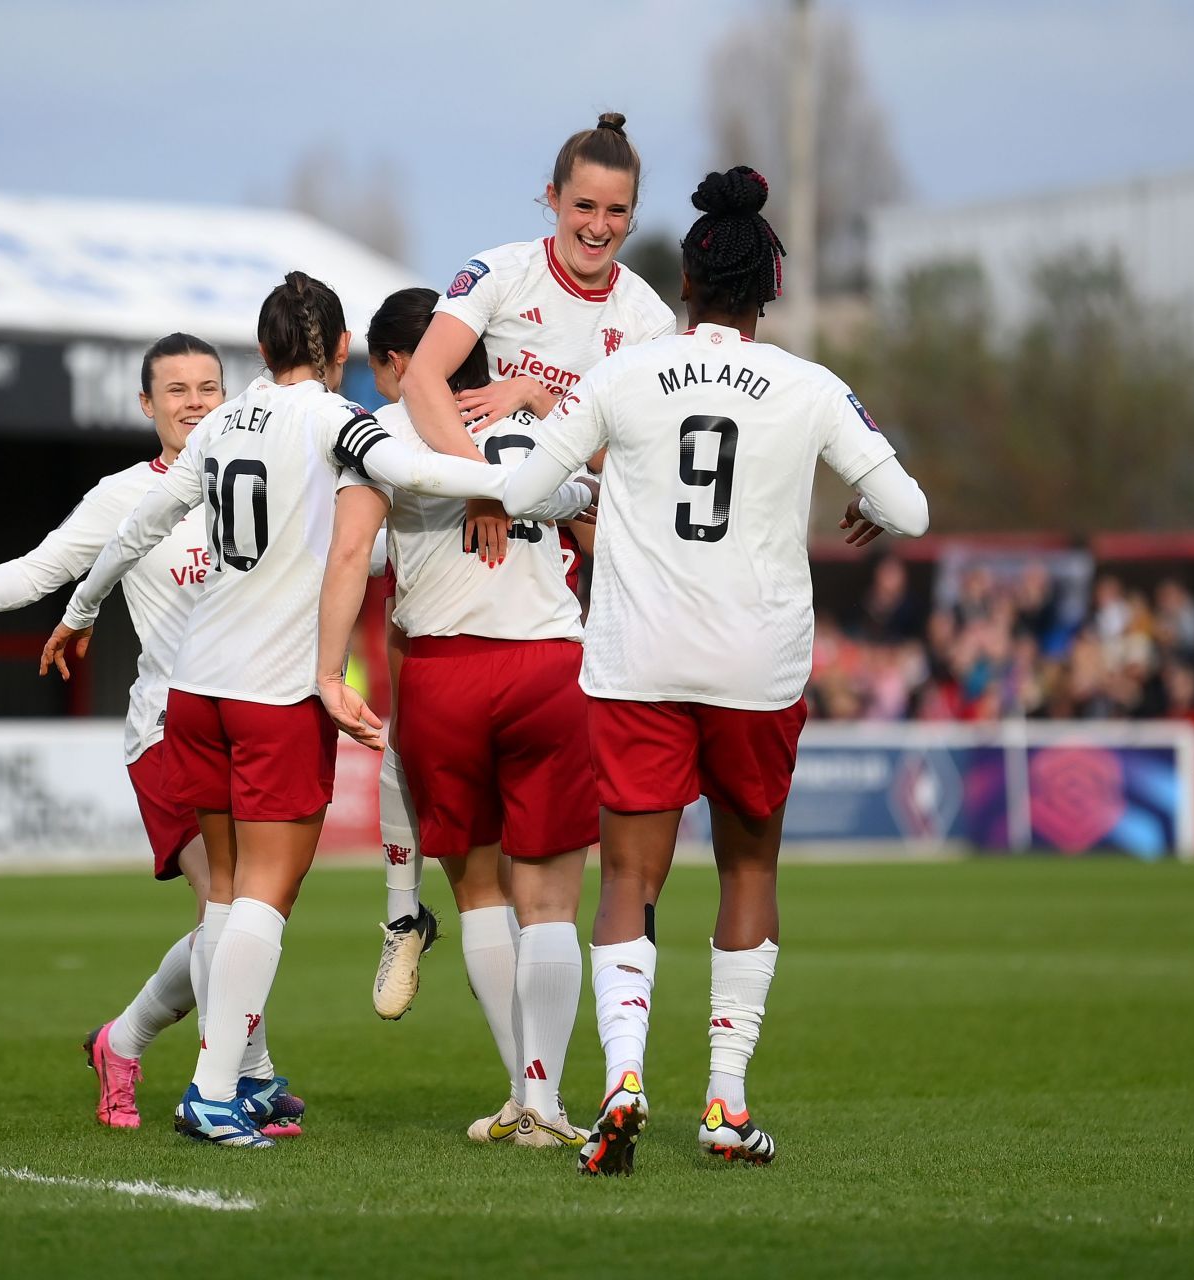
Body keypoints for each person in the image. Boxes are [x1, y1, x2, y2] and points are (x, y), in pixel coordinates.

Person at [39, 271, 572, 1148]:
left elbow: (138, 526)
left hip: (195, 689)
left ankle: (234, 1086)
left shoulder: (218, 423)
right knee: (266, 899)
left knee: (225, 903)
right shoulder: (338, 421)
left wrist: (80, 609)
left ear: (261, 349)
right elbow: (411, 468)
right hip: (274, 689)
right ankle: (214, 1094)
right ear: (334, 354)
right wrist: (502, 478)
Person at [497, 167, 930, 1175]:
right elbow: (906, 510)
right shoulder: (813, 386)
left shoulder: (624, 374)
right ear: (766, 290)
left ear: (684, 284)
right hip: (755, 664)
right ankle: (726, 1104)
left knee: (630, 876)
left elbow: (523, 481)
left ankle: (621, 1079)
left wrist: (594, 483)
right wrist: (860, 502)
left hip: (642, 655)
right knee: (747, 867)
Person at [0, 336, 301, 1137]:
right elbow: (46, 568)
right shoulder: (123, 496)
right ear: (146, 406)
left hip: (251, 716)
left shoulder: (264, 476)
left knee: (243, 912)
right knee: (228, 903)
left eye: (208, 386)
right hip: (169, 731)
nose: (193, 401)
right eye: (174, 389)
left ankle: (128, 1041)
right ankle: (246, 1075)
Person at [371, 111, 677, 1019]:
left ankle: (549, 1061)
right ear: (551, 199)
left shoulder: (648, 318)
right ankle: (399, 918)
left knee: (558, 863)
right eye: (582, 204)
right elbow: (425, 382)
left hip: (581, 576)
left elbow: (642, 461)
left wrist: (548, 403)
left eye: (615, 211)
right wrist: (480, 485)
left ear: (631, 213)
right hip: (467, 542)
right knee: (408, 717)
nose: (597, 224)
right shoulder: (498, 272)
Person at [317, 287, 600, 1147]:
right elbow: (600, 529)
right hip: (552, 665)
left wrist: (328, 672)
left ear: (405, 362)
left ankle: (520, 1092)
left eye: (380, 367)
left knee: (479, 893)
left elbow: (345, 557)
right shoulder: (542, 427)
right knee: (550, 901)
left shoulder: (389, 437)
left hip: (444, 673)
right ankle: (548, 1105)